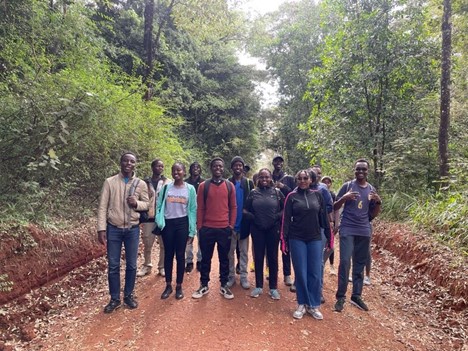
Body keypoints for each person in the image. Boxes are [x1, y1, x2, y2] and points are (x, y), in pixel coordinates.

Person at [97, 152, 149, 313]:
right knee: (113, 265)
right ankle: (114, 299)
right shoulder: (110, 182)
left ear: (135, 165)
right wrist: (101, 228)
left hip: (132, 229)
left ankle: (128, 295)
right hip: (113, 229)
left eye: (132, 161)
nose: (128, 163)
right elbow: (102, 206)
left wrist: (136, 204)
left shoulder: (141, 184)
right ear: (120, 163)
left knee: (132, 265)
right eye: (125, 161)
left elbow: (147, 205)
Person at [280, 170, 331, 320]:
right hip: (297, 238)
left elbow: (324, 218)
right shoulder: (291, 197)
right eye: (300, 178)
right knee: (301, 272)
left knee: (315, 272)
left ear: (310, 180)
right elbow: (286, 220)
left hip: (315, 238)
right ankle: (301, 303)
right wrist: (284, 240)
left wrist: (329, 236)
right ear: (296, 181)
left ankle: (313, 305)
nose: (302, 181)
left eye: (305, 178)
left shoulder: (318, 195)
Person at [334, 159, 382, 312]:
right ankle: (341, 297)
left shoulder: (371, 189)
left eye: (363, 169)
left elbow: (372, 215)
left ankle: (356, 295)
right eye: (358, 169)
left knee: (360, 263)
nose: (360, 172)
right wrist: (344, 198)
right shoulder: (347, 186)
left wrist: (378, 203)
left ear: (368, 171)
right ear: (354, 170)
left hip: (364, 230)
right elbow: (334, 206)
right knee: (345, 261)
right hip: (347, 228)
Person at [192, 157, 237, 300]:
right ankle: (204, 285)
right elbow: (200, 208)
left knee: (224, 259)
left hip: (224, 228)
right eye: (215, 166)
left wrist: (230, 225)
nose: (218, 168)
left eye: (220, 166)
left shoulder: (229, 186)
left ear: (223, 168)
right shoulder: (203, 186)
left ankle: (224, 285)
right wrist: (200, 227)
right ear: (211, 168)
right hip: (207, 229)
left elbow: (233, 207)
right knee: (206, 258)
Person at [156, 163, 197, 300]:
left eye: (179, 170)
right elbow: (159, 205)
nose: (176, 172)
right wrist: (159, 221)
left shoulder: (190, 189)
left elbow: (192, 209)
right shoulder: (167, 187)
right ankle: (168, 285)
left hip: (182, 223)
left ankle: (179, 286)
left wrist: (192, 231)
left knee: (180, 255)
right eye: (174, 170)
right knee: (168, 254)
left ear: (184, 172)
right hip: (168, 224)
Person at [244, 168, 284, 299]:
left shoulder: (277, 193)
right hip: (257, 229)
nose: (264, 179)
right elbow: (245, 210)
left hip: (273, 229)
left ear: (271, 178)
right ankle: (259, 286)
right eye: (262, 177)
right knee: (259, 257)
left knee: (273, 257)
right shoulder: (253, 193)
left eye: (267, 177)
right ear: (258, 179)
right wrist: (254, 218)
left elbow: (285, 210)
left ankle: (273, 288)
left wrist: (276, 217)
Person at [137, 159, 171, 278]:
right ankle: (147, 265)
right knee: (147, 243)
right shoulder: (144, 183)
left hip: (163, 218)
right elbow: (140, 198)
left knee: (163, 244)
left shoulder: (167, 182)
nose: (160, 168)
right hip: (148, 217)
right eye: (157, 166)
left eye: (162, 166)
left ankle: (162, 267)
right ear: (152, 167)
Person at [227, 156, 254, 290]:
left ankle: (243, 277)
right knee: (229, 252)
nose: (238, 167)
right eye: (235, 165)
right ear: (231, 168)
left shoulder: (248, 183)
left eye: (240, 165)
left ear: (243, 168)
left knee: (243, 252)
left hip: (244, 224)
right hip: (229, 224)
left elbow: (254, 202)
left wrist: (249, 215)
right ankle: (231, 276)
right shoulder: (227, 183)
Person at [271, 155, 296, 287]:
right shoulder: (268, 176)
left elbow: (294, 194)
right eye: (276, 161)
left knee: (286, 246)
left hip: (286, 216)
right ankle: (271, 272)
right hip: (272, 217)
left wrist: (283, 187)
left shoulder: (289, 178)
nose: (278, 163)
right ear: (273, 163)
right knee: (271, 247)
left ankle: (287, 274)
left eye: (280, 161)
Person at [184, 162, 205, 273]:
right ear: (190, 170)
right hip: (188, 215)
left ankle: (200, 260)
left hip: (201, 215)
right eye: (193, 167)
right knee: (189, 239)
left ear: (200, 170)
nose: (195, 169)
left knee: (201, 239)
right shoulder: (185, 183)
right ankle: (189, 261)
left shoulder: (204, 182)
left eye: (198, 167)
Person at [321, 176, 338, 275]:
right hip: (322, 223)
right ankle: (321, 264)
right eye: (325, 182)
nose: (327, 184)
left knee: (330, 246)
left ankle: (331, 265)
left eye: (329, 182)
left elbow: (335, 208)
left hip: (330, 223)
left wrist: (335, 222)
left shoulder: (332, 194)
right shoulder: (318, 191)